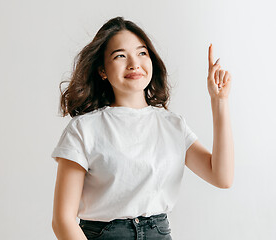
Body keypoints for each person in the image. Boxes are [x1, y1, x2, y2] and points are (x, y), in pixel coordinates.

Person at [51, 16, 234, 240]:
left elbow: (222, 177)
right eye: (120, 55)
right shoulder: (83, 129)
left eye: (142, 53)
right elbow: (63, 220)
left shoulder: (173, 125)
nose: (134, 63)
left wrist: (219, 101)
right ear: (102, 70)